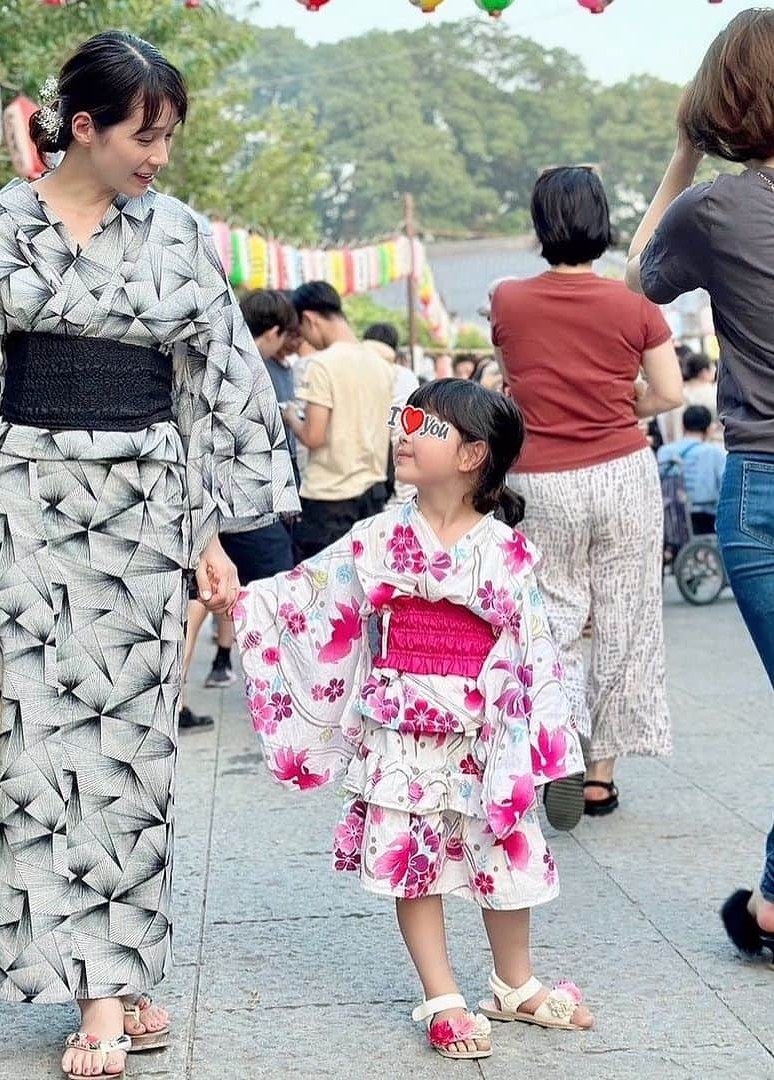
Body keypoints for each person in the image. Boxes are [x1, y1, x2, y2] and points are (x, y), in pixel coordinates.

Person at [0, 31, 299, 1080]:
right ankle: (93, 990)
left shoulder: (174, 235)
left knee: (132, 750)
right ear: (82, 127)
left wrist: (214, 536)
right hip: (28, 500)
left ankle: (116, 985)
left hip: (143, 508)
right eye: (145, 134)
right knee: (43, 752)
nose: (158, 156)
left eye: (167, 137)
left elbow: (214, 387)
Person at [233, 380, 593, 1061]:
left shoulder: (508, 551)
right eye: (406, 416)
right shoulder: (379, 536)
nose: (405, 429)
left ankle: (514, 983)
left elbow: (534, 643)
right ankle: (443, 992)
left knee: (502, 847)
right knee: (413, 857)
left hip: (483, 724)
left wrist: (539, 740)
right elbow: (311, 593)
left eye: (426, 423)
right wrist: (250, 602)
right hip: (401, 723)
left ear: (472, 455)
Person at [624, 6, 774, 968]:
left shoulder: (713, 209)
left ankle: (771, 901)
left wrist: (681, 158)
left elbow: (631, 293)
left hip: (761, 483)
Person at [492, 166, 682, 821]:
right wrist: (627, 399)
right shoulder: (636, 306)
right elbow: (671, 394)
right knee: (625, 619)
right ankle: (600, 776)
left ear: (542, 225)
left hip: (540, 477)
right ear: (602, 222)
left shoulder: (507, 299)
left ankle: (560, 753)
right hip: (623, 471)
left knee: (554, 620)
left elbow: (511, 376)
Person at [195, 290, 299, 690]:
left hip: (210, 508)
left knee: (204, 597)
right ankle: (284, 687)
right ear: (272, 331)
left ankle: (197, 681)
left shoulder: (210, 356)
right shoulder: (253, 366)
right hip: (253, 506)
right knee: (276, 601)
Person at [285, 282, 396, 560]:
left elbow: (313, 436)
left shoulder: (322, 365)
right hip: (372, 494)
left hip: (328, 501)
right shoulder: (381, 366)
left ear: (310, 319)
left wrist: (290, 417)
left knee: (320, 592)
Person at [365, 321, 419, 507]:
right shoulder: (406, 376)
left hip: (369, 466)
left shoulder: (361, 374)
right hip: (396, 466)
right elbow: (401, 429)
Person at [656, 404, 726, 536]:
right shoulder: (715, 452)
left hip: (671, 518)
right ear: (709, 429)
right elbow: (724, 488)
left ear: (683, 426)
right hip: (705, 519)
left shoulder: (664, 452)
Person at [662, 350, 723, 446]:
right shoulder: (717, 392)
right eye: (712, 368)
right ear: (703, 372)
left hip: (680, 452)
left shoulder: (677, 395)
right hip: (715, 447)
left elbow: (669, 429)